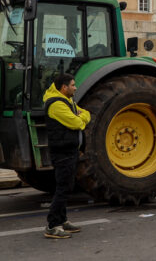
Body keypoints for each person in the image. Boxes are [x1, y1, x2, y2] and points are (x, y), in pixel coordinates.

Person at [43, 72, 90, 239]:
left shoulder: (67, 101)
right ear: (64, 87)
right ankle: (52, 225)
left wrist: (80, 117)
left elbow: (86, 113)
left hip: (70, 150)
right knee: (63, 188)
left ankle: (62, 220)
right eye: (72, 85)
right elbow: (77, 123)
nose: (75, 88)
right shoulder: (57, 104)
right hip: (62, 152)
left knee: (67, 186)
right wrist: (80, 119)